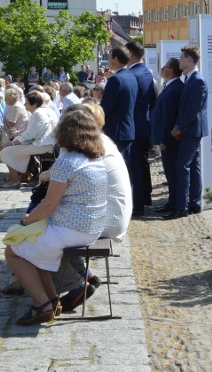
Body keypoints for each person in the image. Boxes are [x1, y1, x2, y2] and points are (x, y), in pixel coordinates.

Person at [3, 109, 107, 326]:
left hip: (70, 229)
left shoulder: (67, 161)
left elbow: (49, 204)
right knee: (35, 250)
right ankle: (52, 301)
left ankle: (42, 304)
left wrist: (28, 220)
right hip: (92, 226)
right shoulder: (95, 158)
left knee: (13, 250)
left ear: (64, 133)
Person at [44, 101, 132, 310]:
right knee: (55, 221)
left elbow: (60, 184)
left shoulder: (79, 146)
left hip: (104, 219)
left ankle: (73, 284)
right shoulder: (100, 141)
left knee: (43, 230)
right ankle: (85, 275)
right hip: (113, 214)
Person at [168, 45, 208, 219]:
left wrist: (180, 128)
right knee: (193, 166)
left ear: (190, 60)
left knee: (182, 165)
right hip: (190, 129)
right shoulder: (189, 79)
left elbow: (193, 109)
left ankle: (182, 207)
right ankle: (194, 203)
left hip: (192, 130)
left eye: (182, 57)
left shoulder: (197, 80)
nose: (179, 60)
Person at [0, 92, 59, 188]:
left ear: (34, 104)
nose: (24, 104)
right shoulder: (36, 113)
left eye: (26, 103)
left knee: (6, 151)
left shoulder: (38, 114)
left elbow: (29, 134)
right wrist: (14, 142)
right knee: (6, 150)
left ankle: (15, 179)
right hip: (37, 143)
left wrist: (12, 143)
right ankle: (17, 177)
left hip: (42, 145)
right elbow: (28, 133)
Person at [125, 42, 157, 216]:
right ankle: (145, 197)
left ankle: (137, 205)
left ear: (130, 55)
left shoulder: (131, 75)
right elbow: (153, 101)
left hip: (134, 126)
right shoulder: (147, 73)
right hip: (145, 124)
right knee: (142, 163)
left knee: (135, 165)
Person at [150, 58, 184, 214]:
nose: (162, 69)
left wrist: (164, 140)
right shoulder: (169, 86)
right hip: (166, 139)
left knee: (172, 172)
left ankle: (175, 202)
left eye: (164, 67)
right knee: (169, 171)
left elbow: (169, 118)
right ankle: (171, 201)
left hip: (169, 140)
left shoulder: (174, 88)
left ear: (170, 70)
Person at [99, 47, 137, 161]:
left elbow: (105, 107)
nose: (109, 60)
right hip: (127, 130)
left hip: (116, 131)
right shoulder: (131, 77)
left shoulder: (115, 79)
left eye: (110, 57)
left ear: (115, 59)